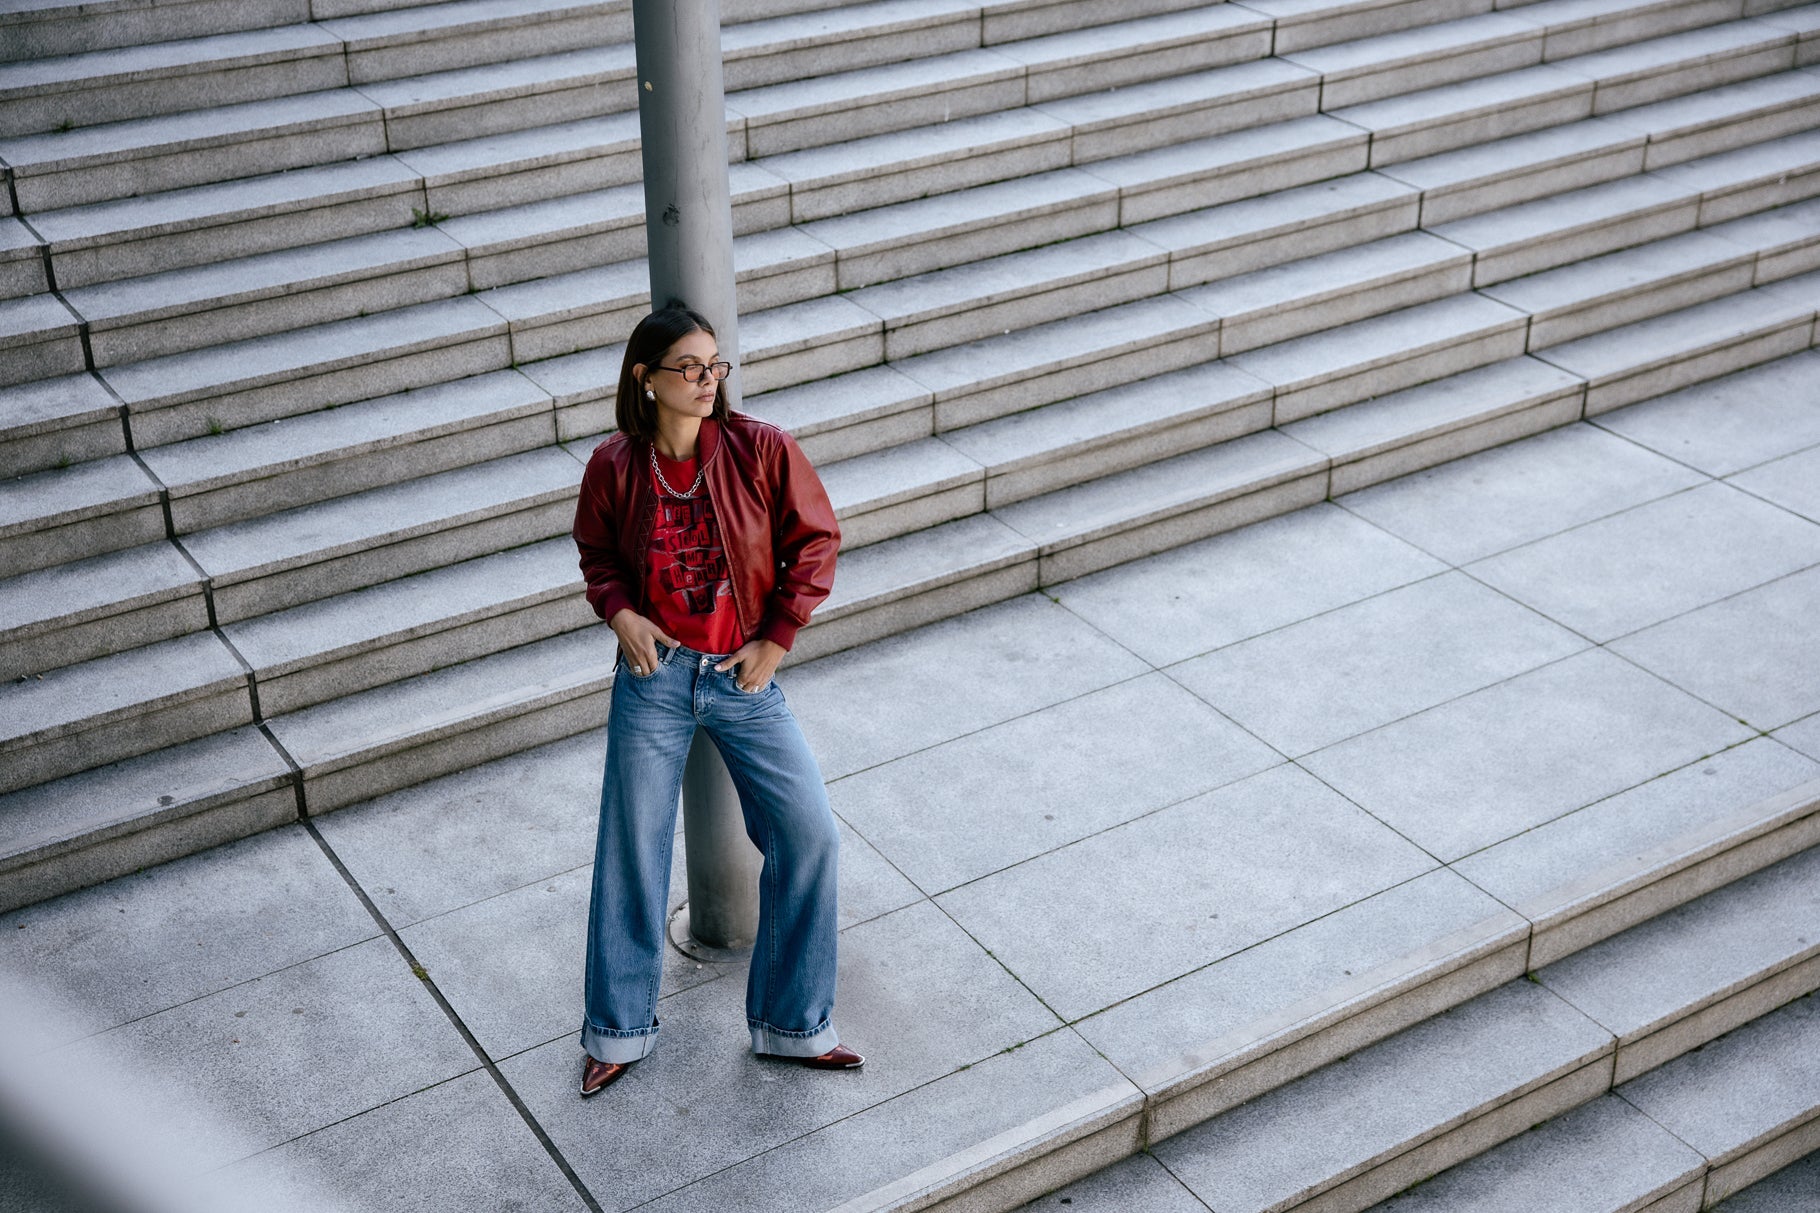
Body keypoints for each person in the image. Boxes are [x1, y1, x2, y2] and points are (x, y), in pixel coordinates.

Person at [569, 304, 860, 1098]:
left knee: (809, 835)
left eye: (715, 365)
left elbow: (816, 539)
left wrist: (777, 636)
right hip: (654, 677)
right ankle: (617, 1030)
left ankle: (792, 1024)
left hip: (742, 675)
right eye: (690, 367)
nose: (708, 380)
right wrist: (621, 612)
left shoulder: (760, 447)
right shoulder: (615, 465)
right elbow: (598, 555)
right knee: (632, 849)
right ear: (646, 378)